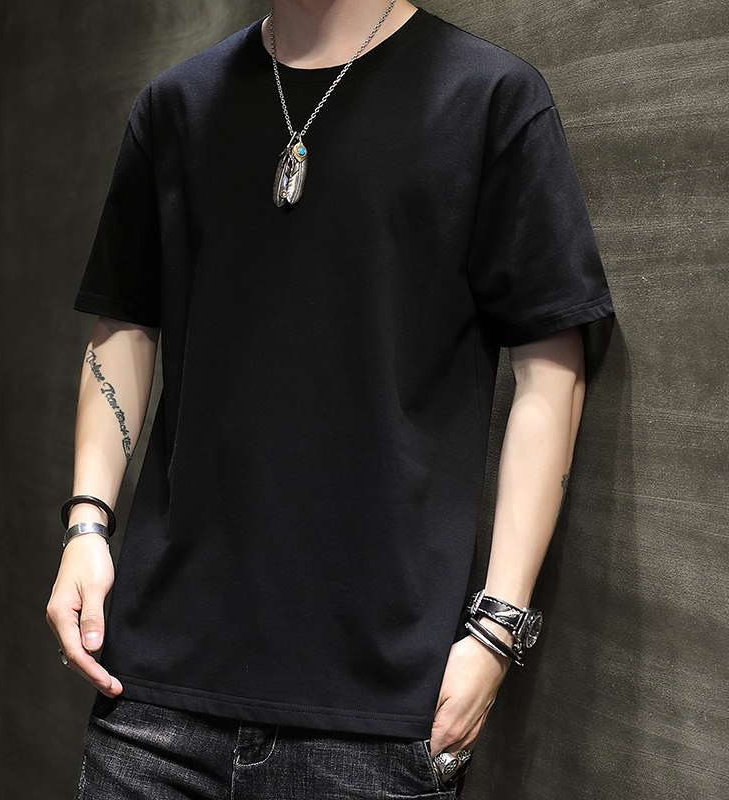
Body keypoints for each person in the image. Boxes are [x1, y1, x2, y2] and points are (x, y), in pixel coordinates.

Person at [46, 1, 614, 797]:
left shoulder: (489, 98)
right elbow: (126, 323)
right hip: (153, 696)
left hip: (376, 710)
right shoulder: (177, 106)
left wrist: (497, 628)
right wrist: (86, 524)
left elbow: (551, 366)